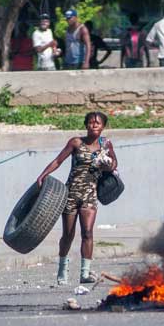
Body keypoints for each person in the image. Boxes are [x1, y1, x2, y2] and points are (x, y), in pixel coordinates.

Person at [35, 112, 117, 284]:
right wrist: (43, 175)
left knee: (87, 233)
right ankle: (62, 271)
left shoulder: (106, 144)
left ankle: (84, 273)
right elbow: (58, 161)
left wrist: (107, 165)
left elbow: (114, 164)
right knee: (68, 234)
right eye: (91, 122)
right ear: (86, 125)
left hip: (90, 194)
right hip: (71, 193)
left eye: (98, 123)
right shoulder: (76, 143)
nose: (94, 125)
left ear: (103, 127)